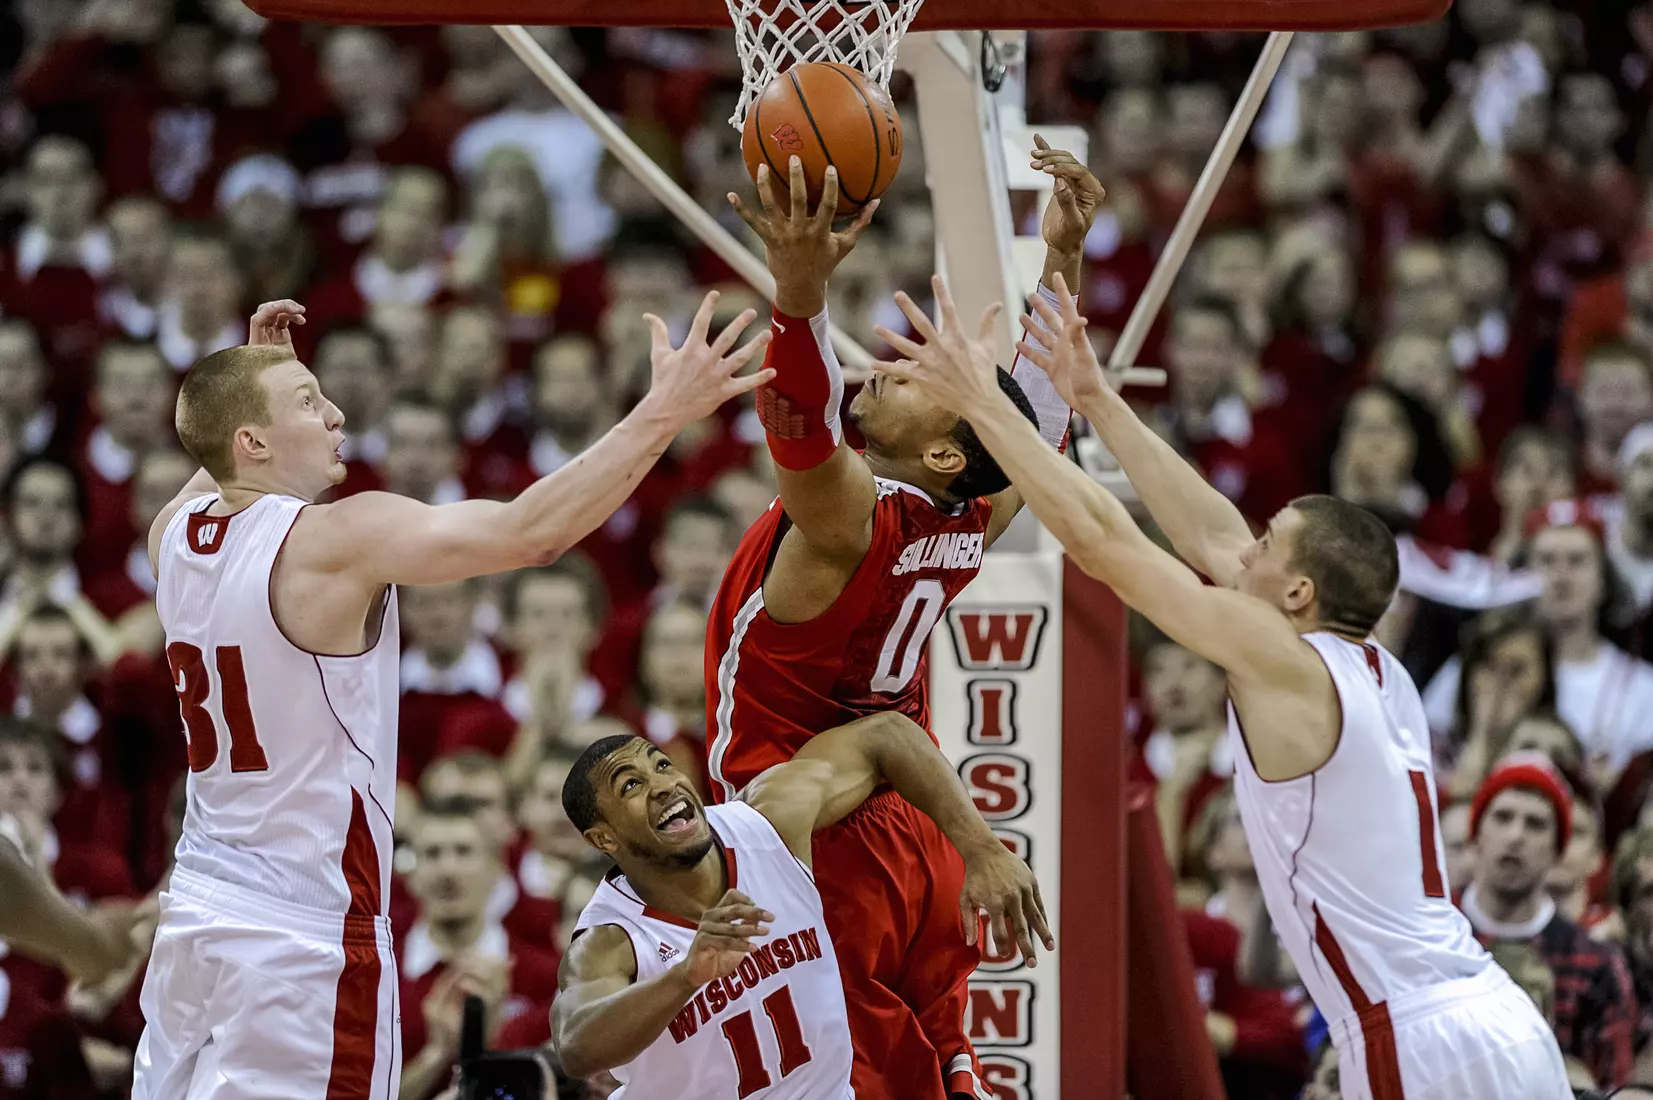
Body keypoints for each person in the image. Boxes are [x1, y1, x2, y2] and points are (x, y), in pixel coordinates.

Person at [876, 277, 1572, 1098]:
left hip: (1416, 1038)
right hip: (1495, 1017)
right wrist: (1096, 399)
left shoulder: (1282, 656)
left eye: (1268, 542)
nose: (1246, 549)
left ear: (1297, 595)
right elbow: (1209, 531)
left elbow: (1104, 543)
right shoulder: (1372, 669)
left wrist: (988, 410)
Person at [131, 290, 775, 1100]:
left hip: (197, 910)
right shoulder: (336, 539)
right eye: (306, 400)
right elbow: (530, 533)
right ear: (254, 441)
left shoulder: (173, 534)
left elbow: (217, 455)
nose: (334, 414)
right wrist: (661, 411)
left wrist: (262, 370)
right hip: (302, 934)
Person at [713, 140, 1100, 1100]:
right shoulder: (970, 514)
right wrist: (1061, 259)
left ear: (937, 455)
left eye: (927, 383)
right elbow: (1035, 427)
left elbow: (796, 420)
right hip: (913, 827)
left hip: (810, 825)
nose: (890, 365)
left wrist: (796, 295)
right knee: (941, 1069)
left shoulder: (849, 520)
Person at [551, 711, 1047, 1097]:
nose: (663, 785)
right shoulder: (611, 940)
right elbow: (575, 1045)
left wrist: (980, 846)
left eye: (660, 765)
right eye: (631, 786)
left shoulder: (767, 823)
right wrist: (686, 976)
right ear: (604, 837)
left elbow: (887, 736)